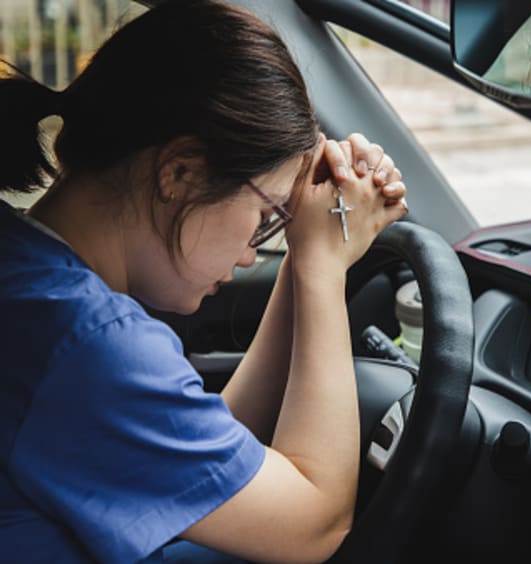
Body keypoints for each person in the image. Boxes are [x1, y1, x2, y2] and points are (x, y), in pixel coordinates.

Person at [0, 0, 407, 562]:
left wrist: (304, 250)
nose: (250, 253)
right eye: (267, 217)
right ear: (180, 172)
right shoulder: (86, 342)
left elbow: (199, 463)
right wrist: (323, 265)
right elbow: (316, 524)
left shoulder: (30, 276)